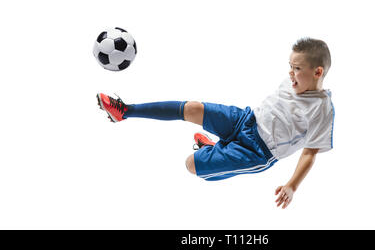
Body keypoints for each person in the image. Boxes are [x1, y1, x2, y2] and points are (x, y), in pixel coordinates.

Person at [96, 38, 334, 209]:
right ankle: (125, 111)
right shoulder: (293, 81)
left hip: (256, 152)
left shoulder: (322, 110)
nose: (290, 73)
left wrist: (292, 185)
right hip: (245, 119)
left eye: (297, 69)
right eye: (289, 67)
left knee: (191, 165)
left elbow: (310, 153)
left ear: (317, 72)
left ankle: (212, 151)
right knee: (192, 108)